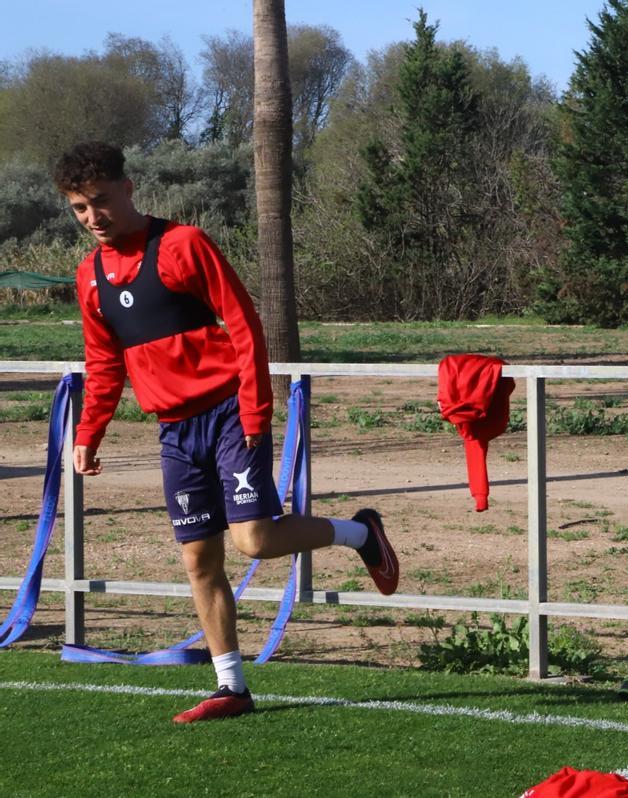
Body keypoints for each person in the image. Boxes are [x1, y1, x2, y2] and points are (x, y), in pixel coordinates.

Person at [54, 141, 400, 724]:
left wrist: (255, 412)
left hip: (228, 413)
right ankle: (231, 688)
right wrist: (91, 430)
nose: (93, 218)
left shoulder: (183, 245)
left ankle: (360, 534)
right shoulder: (89, 277)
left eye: (101, 202)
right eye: (80, 209)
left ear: (128, 187)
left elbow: (243, 325)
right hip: (173, 431)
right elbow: (104, 359)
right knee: (198, 560)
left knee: (254, 542)